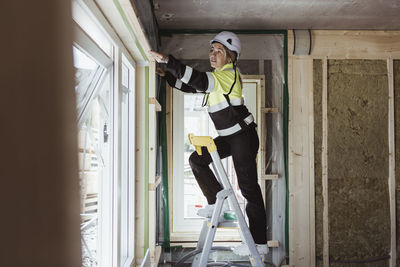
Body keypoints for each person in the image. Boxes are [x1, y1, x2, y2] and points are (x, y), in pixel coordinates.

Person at [149, 31, 268, 256]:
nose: (213, 55)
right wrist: (165, 74)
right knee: (196, 159)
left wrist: (168, 61)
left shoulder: (227, 75)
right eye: (212, 50)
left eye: (219, 51)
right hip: (230, 137)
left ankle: (260, 244)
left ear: (231, 57)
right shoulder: (217, 79)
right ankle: (216, 203)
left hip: (243, 136)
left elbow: (199, 80)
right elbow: (190, 86)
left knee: (249, 188)